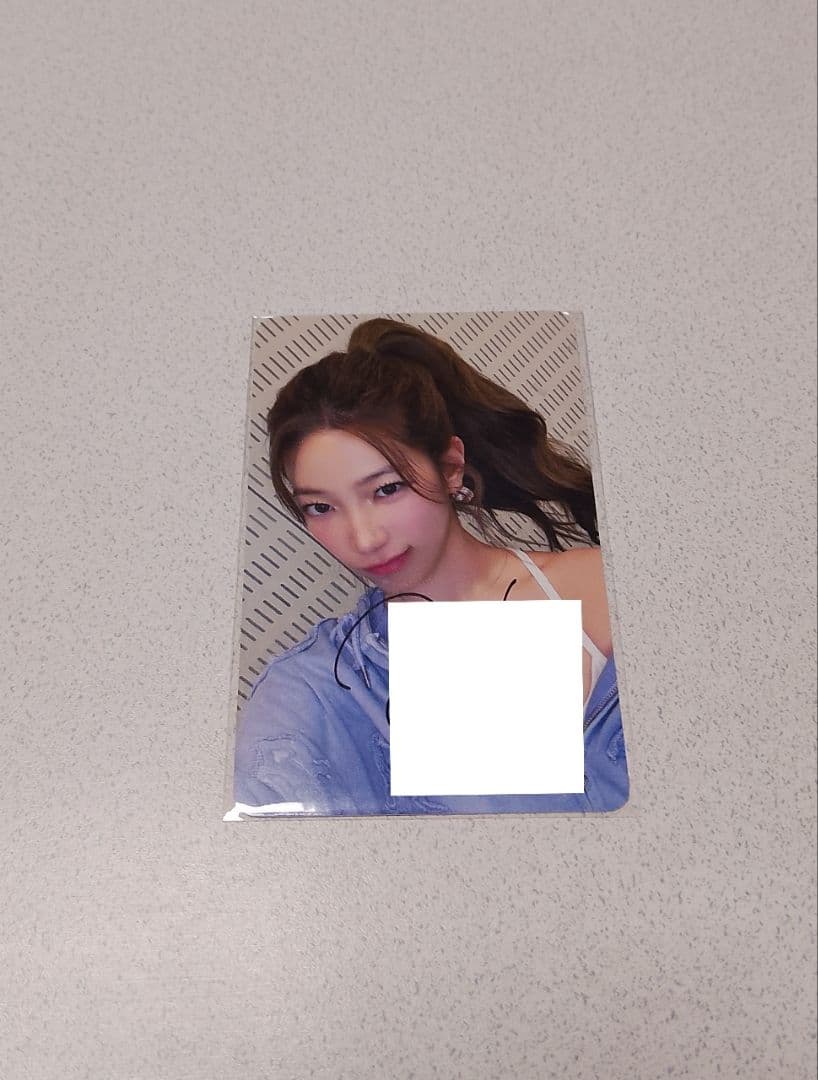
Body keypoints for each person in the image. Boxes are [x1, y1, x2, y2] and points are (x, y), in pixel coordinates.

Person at [231, 318, 628, 816]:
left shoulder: (606, 583)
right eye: (321, 507)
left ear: (451, 467)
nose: (364, 539)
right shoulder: (316, 690)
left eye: (387, 489)